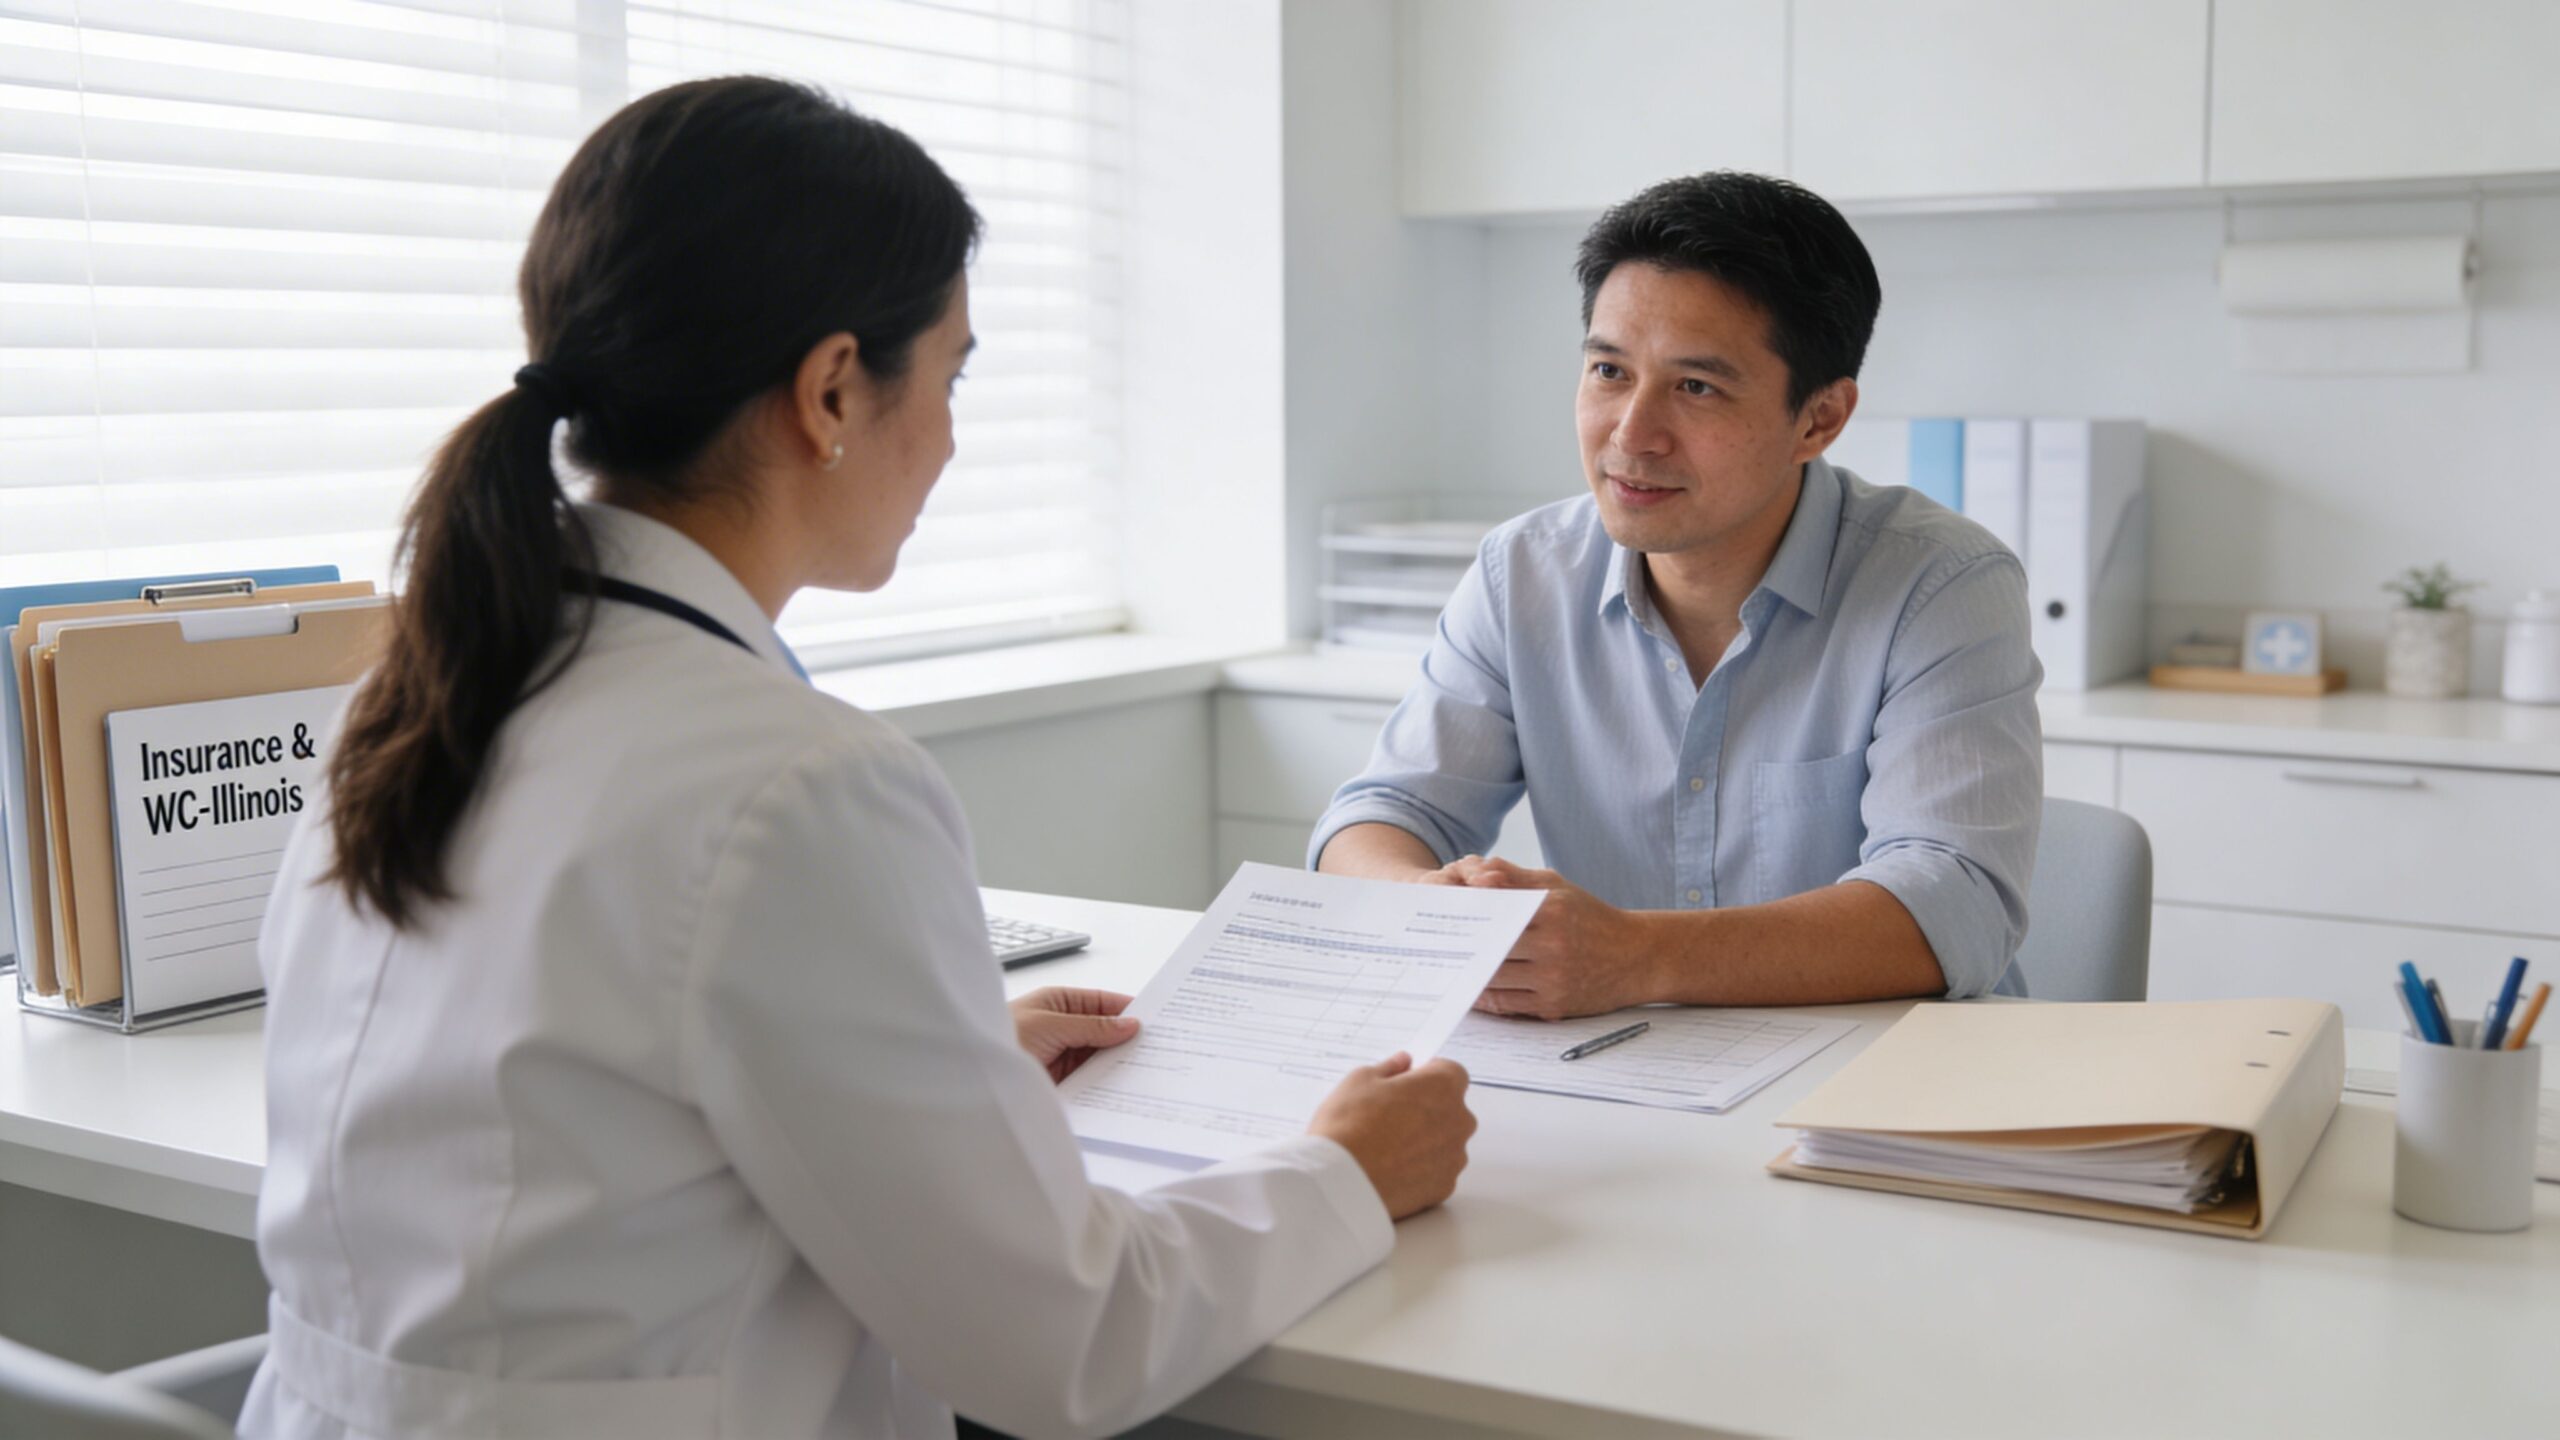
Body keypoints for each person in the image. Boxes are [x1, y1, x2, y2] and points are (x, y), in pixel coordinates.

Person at [242, 77, 1474, 1440]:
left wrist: (938, 1076)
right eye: (949, 373)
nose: (948, 433)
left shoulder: (417, 698)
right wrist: (1344, 1174)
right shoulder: (798, 784)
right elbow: (1063, 1346)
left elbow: (566, 1117)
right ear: (832, 389)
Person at [1313, 172, 2041, 1019]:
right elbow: (1378, 817)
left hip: (1885, 1083)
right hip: (1623, 1072)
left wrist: (1632, 956)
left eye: (1696, 387)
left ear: (1820, 419)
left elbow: (1952, 905)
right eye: (1609, 370)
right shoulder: (1524, 572)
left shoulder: (1940, 584)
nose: (1631, 435)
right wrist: (1441, 907)